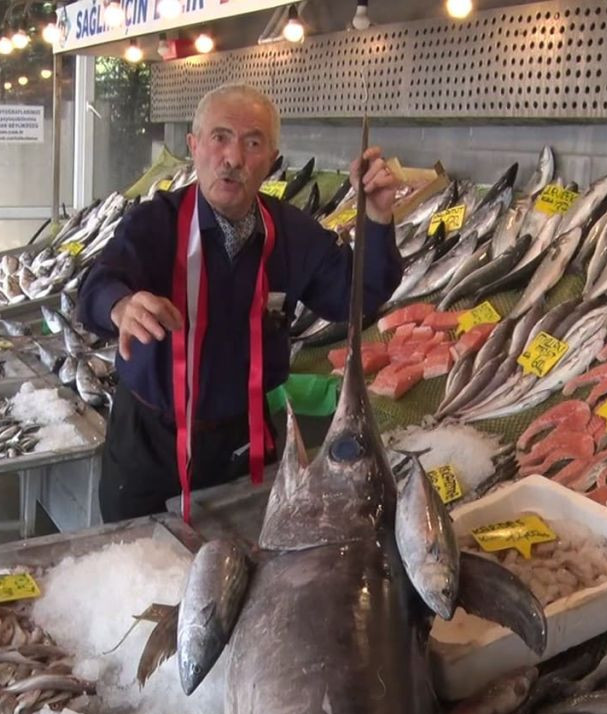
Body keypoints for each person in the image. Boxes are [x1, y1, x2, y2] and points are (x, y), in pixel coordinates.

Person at [79, 82, 404, 523]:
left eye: (252, 143)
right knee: (139, 576)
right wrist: (120, 305)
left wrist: (378, 218)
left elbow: (356, 295)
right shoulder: (155, 223)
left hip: (242, 444)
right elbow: (98, 282)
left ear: (270, 160)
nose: (233, 158)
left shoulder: (291, 233)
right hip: (149, 446)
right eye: (220, 137)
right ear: (194, 147)